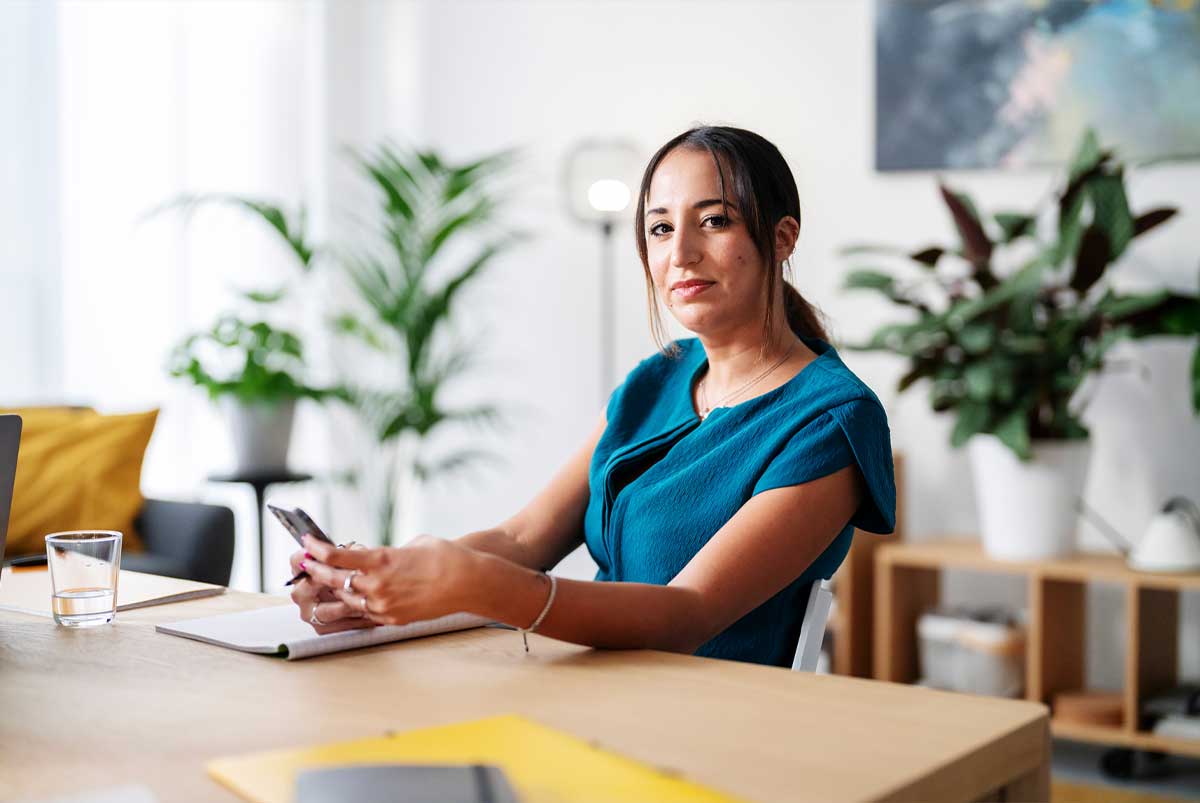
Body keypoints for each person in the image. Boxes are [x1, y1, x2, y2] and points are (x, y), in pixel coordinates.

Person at [291, 125, 896, 667]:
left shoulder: (830, 420)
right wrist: (381, 578)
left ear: (783, 237)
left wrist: (476, 585)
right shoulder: (656, 380)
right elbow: (523, 540)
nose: (680, 254)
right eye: (660, 228)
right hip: (590, 682)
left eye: (714, 220)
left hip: (709, 724)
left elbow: (685, 615)